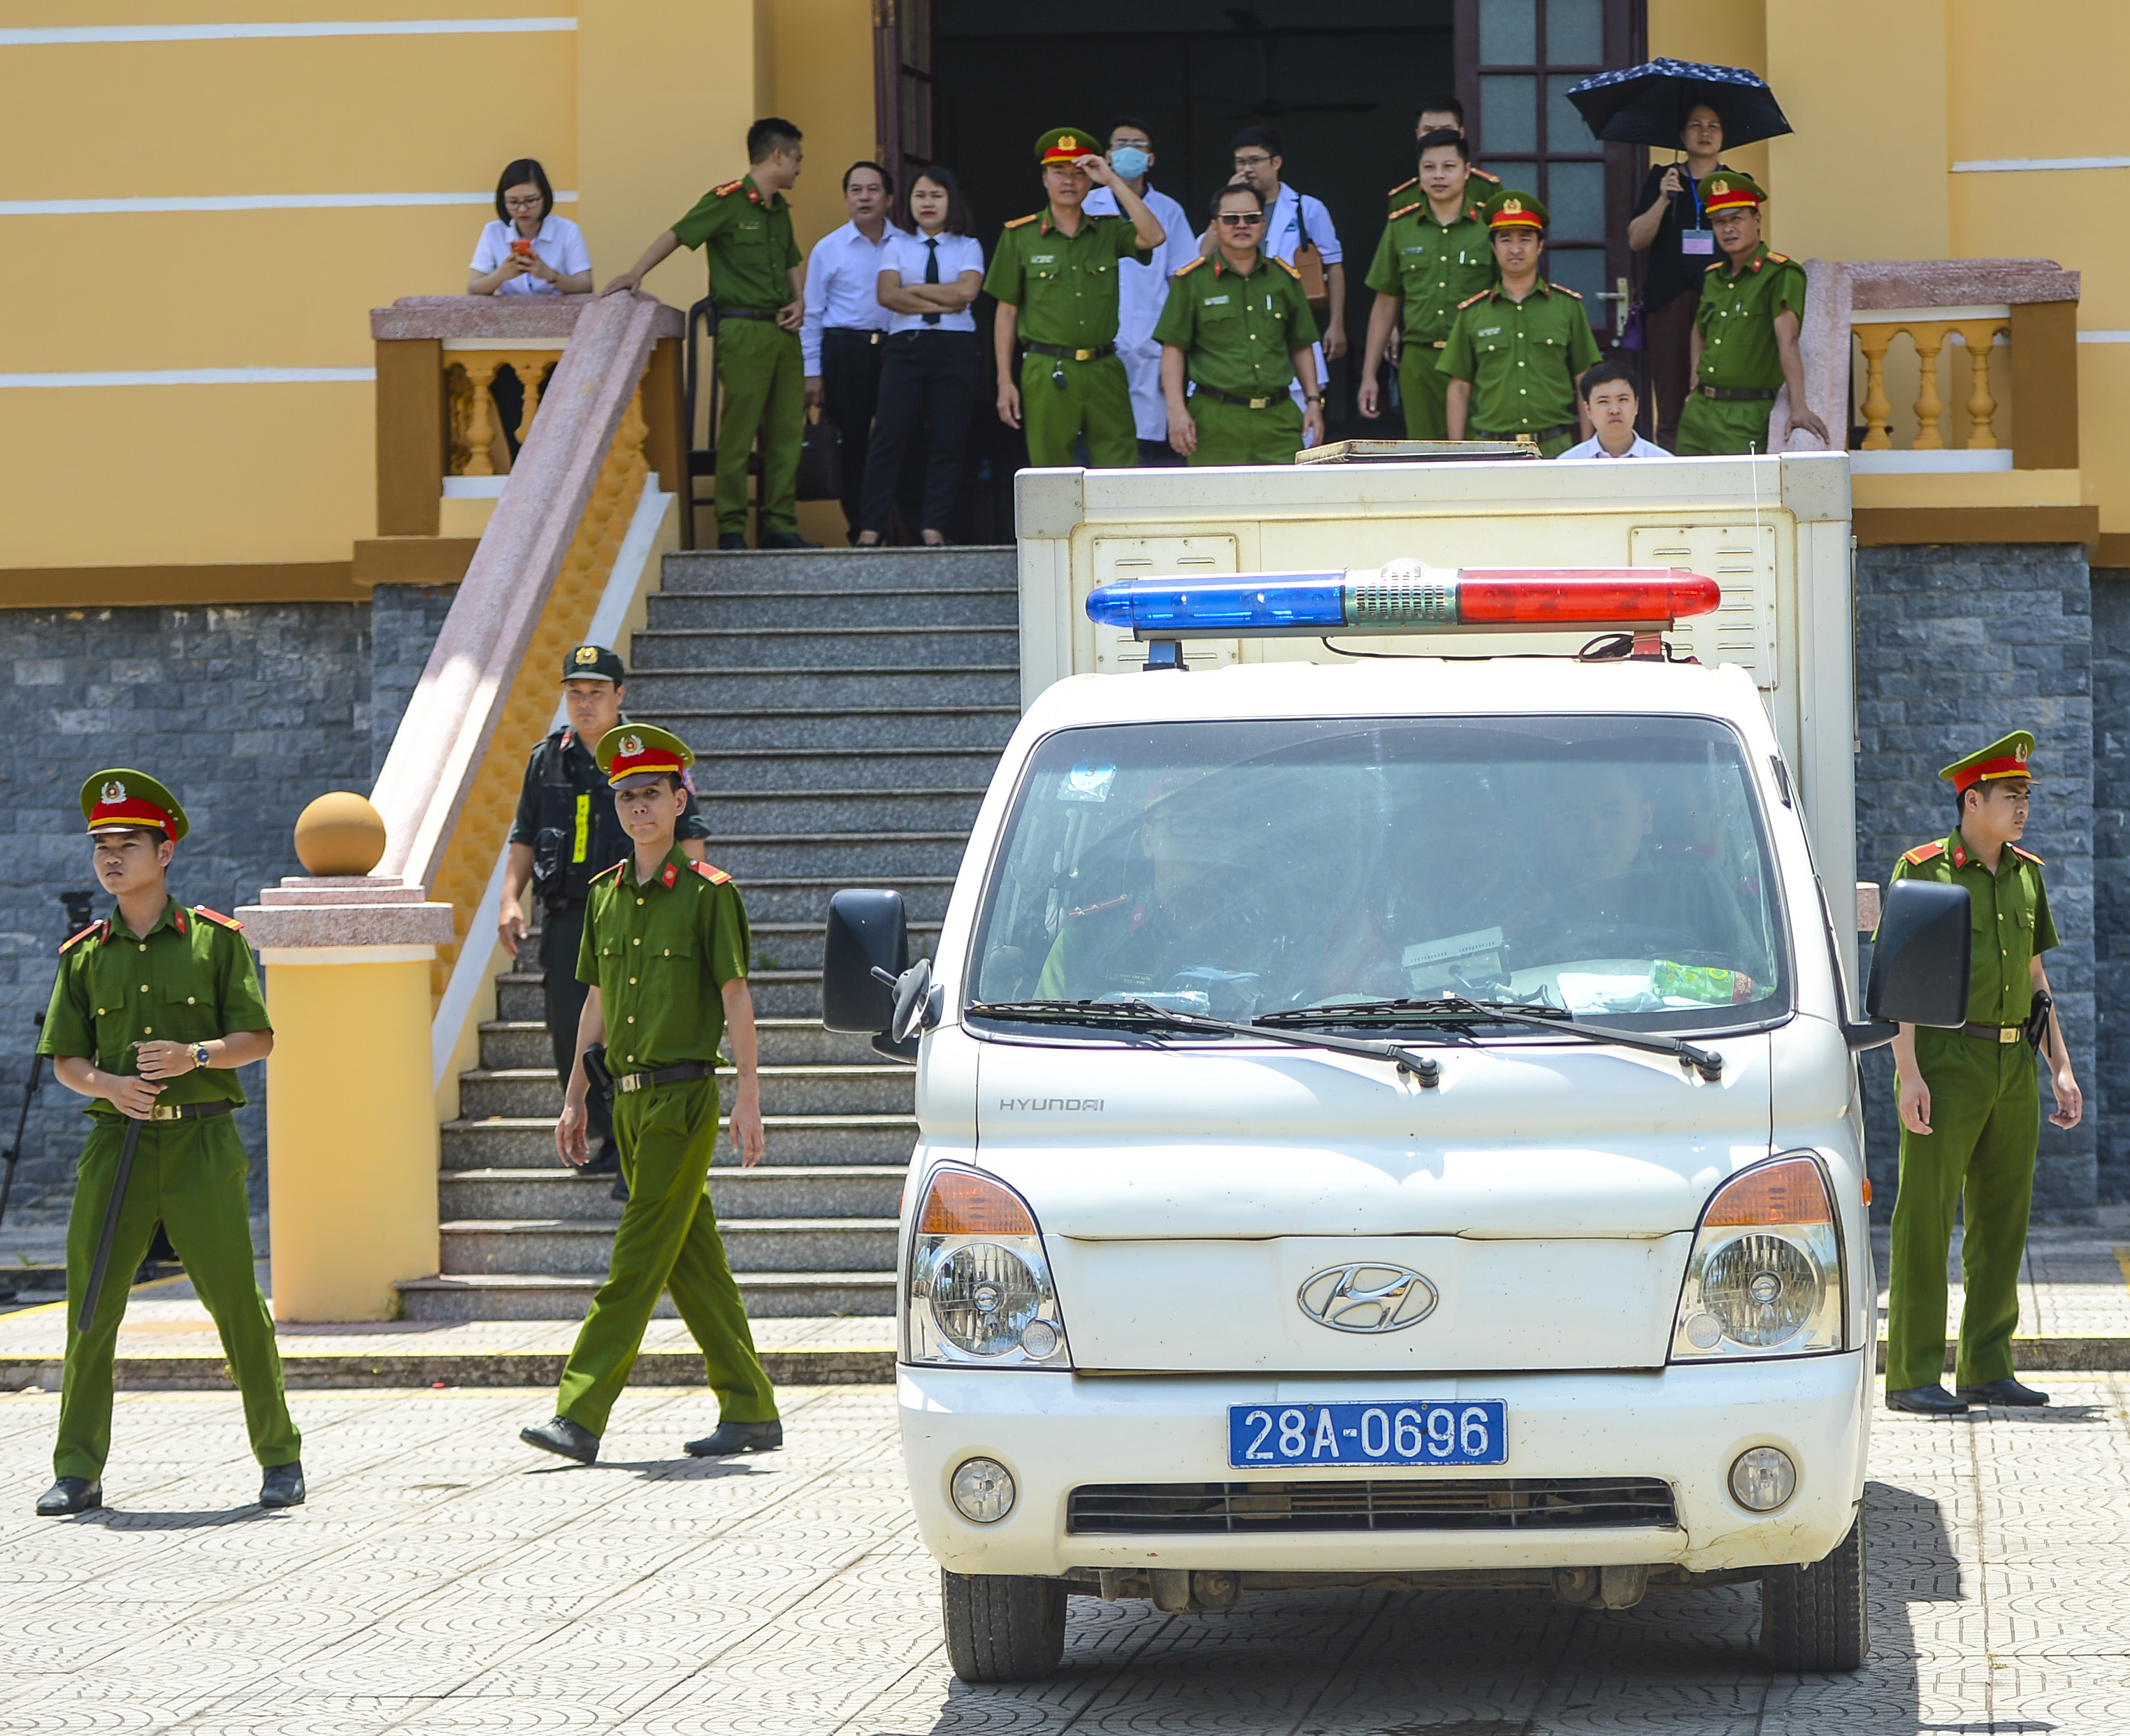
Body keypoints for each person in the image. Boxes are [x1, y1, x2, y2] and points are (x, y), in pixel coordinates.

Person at [34, 772, 301, 1517]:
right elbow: (66, 1060)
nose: (111, 858)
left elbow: (260, 1039)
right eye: (101, 847)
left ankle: (280, 1457)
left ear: (166, 850)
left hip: (201, 1147)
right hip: (115, 1144)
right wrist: (109, 1086)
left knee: (237, 1307)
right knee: (91, 1308)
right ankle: (78, 1469)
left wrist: (197, 1057)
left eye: (127, 845)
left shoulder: (215, 943)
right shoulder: (84, 955)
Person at [519, 725, 782, 1466]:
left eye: (652, 795)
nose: (639, 808)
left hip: (682, 1099)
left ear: (678, 799)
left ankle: (579, 1412)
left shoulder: (706, 895)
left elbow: (736, 997)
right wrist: (574, 1095)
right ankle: (750, 1407)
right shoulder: (605, 898)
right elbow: (594, 1002)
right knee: (691, 1259)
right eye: (627, 796)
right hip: (625, 1100)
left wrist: (749, 1097)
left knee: (634, 1260)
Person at [1882, 732, 2082, 1417]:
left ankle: (1985, 1368)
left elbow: (2033, 977)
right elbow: (1901, 985)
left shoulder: (2026, 874)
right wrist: (1907, 1073)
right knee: (1925, 1220)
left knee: (2002, 1222)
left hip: (2010, 1064)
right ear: (1972, 800)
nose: (2022, 807)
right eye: (2010, 796)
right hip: (1945, 1060)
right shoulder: (1922, 871)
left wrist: (2060, 1067)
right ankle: (1910, 1374)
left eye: (2026, 796)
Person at [500, 645, 712, 1196]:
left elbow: (691, 831)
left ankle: (633, 1147)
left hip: (637, 911)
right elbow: (523, 835)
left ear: (620, 695)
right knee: (570, 1033)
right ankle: (609, 1134)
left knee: (631, 1030)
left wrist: (685, 901)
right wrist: (510, 899)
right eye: (575, 692)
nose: (584, 702)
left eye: (596, 692)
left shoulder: (648, 757)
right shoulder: (547, 757)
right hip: (570, 917)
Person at [601, 117, 817, 552]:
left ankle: (780, 525)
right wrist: (635, 273)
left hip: (782, 331)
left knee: (786, 433)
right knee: (737, 433)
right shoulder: (727, 201)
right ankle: (732, 527)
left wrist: (801, 299)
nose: (798, 167)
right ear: (777, 156)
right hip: (742, 331)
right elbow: (678, 235)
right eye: (796, 158)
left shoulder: (779, 211)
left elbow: (791, 257)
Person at [986, 126, 1165, 469]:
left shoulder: (1108, 230)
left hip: (1104, 367)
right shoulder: (1020, 236)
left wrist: (1112, 181)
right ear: (1044, 179)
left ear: (1090, 179)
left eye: (1078, 173)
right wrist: (1004, 381)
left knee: (1120, 472)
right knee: (1051, 474)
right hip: (1046, 368)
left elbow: (1154, 236)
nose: (1069, 182)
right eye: (1058, 173)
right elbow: (1006, 313)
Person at [856, 166, 986, 548]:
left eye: (936, 195)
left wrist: (914, 290)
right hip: (905, 347)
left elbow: (967, 294)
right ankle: (870, 527)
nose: (927, 203)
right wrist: (942, 294)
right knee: (889, 436)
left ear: (951, 202)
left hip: (954, 347)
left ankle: (933, 526)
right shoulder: (896, 245)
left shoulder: (968, 246)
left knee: (948, 440)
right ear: (908, 203)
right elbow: (887, 295)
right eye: (920, 196)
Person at [1154, 184, 1324, 464]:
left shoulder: (1285, 279)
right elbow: (1173, 349)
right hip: (1214, 421)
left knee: (1287, 504)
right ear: (1215, 226)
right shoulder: (1192, 281)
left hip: (1278, 418)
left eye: (1251, 218)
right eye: (1231, 219)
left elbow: (1301, 345)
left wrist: (1314, 402)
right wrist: (1176, 411)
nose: (1242, 225)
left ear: (1263, 224)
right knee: (1214, 506)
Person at [1673, 173, 1830, 456]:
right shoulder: (1713, 277)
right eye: (1720, 222)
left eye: (1736, 219)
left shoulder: (1780, 274)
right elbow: (1699, 330)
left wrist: (1799, 407)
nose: (1728, 229)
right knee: (1690, 496)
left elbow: (1788, 341)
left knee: (1740, 496)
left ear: (1757, 220)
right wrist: (1695, 381)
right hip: (1699, 413)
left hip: (1746, 413)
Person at [1442, 191, 1602, 456]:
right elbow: (1459, 387)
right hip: (1488, 449)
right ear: (1493, 247)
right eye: (1505, 240)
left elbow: (1584, 380)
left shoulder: (1567, 308)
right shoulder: (1473, 313)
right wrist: (1458, 453)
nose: (1515, 249)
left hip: (1555, 447)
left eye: (1525, 239)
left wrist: (1586, 449)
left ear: (1540, 246)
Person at [1358, 128, 1493, 438]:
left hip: (1480, 359)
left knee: (1483, 454)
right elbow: (1386, 303)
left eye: (1449, 166)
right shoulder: (1401, 228)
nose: (1438, 176)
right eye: (1429, 168)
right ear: (1419, 173)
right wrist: (1369, 374)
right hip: (1420, 361)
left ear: (1467, 171)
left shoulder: (1490, 226)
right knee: (1425, 456)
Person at [1206, 126, 1345, 426]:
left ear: (1276, 162)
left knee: (1298, 424)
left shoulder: (1306, 208)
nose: (1247, 169)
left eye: (1255, 160)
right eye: (1240, 162)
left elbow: (1333, 265)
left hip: (1289, 321)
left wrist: (1336, 324)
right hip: (1234, 325)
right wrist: (1227, 201)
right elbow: (1201, 257)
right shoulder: (1228, 212)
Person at [1084, 118, 1200, 467]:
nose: (1128, 151)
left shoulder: (1169, 210)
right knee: (1091, 446)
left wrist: (1180, 342)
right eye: (1121, 144)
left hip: (1151, 344)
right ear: (1106, 155)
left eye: (1138, 145)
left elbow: (1183, 279)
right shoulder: (1085, 206)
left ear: (1151, 158)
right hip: (1095, 341)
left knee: (1139, 451)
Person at [801, 161, 908, 542]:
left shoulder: (906, 245)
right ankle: (862, 529)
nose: (864, 197)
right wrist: (811, 372)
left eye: (873, 189)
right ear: (846, 198)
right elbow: (811, 313)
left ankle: (900, 523)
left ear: (890, 198)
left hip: (896, 351)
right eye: (855, 190)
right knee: (853, 443)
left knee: (898, 438)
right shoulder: (828, 249)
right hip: (846, 351)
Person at [1625, 103, 1734, 450]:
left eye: (1714, 126)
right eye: (1696, 125)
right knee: (1670, 402)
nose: (1705, 132)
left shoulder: (1735, 182)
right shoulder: (1663, 177)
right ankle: (1672, 468)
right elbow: (1636, 239)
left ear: (1723, 136)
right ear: (1682, 135)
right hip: (1669, 302)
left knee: (1717, 393)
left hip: (1718, 302)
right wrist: (1663, 199)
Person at [468, 157, 592, 297]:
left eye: (531, 200)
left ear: (544, 196)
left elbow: (585, 286)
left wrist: (550, 275)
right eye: (513, 202)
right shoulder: (493, 232)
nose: (522, 209)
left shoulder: (568, 230)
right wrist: (501, 275)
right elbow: (473, 288)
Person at [1386, 94, 1501, 213]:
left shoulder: (1487, 188)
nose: (1437, 136)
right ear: (1418, 134)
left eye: (1446, 129)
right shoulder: (1402, 195)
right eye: (1429, 130)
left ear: (1461, 133)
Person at [1559, 361, 1671, 458]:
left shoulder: (1664, 462)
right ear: (1588, 410)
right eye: (1603, 401)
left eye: (1622, 399)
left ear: (1636, 405)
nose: (1614, 410)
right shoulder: (1568, 464)